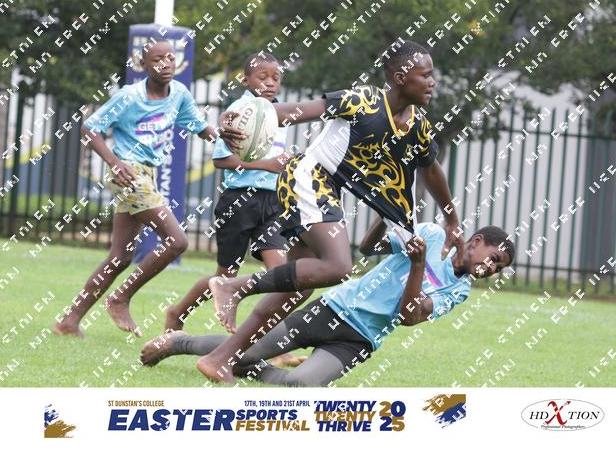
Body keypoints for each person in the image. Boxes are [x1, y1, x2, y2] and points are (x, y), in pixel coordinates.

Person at [197, 39, 465, 382]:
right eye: (425, 75)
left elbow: (432, 170)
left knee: (297, 288)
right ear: (400, 78)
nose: (432, 82)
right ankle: (234, 287)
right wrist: (237, 117)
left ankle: (219, 359)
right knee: (339, 266)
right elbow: (292, 112)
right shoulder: (363, 100)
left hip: (327, 189)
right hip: (307, 176)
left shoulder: (417, 126)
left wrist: (452, 218)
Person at [140, 222, 515, 386]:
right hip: (334, 309)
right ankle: (178, 342)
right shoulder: (430, 234)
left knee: (301, 386)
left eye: (498, 268)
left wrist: (418, 266)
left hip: (360, 340)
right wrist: (384, 214)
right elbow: (369, 246)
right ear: (476, 241)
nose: (491, 268)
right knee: (248, 349)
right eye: (494, 258)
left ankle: (246, 367)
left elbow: (408, 316)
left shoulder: (459, 290)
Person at [53, 39, 241, 338]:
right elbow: (89, 128)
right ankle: (121, 298)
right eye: (157, 59)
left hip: (147, 175)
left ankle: (69, 322)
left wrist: (224, 139)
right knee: (177, 241)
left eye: (170, 58)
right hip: (128, 173)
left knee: (120, 257)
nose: (166, 64)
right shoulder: (129, 96)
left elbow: (199, 127)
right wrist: (114, 162)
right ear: (143, 65)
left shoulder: (179, 94)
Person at [164, 52, 300, 332]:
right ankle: (177, 313)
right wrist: (266, 165)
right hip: (239, 202)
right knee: (225, 276)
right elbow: (221, 160)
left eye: (276, 78)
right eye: (263, 77)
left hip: (272, 202)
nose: (270, 83)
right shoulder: (240, 111)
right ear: (246, 80)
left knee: (281, 277)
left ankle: (274, 344)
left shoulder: (280, 113)